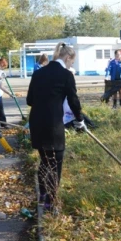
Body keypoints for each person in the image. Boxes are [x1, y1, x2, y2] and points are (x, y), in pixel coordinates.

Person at [27, 42, 83, 211]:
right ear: (67, 58)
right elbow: (73, 100)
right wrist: (80, 120)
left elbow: (29, 100)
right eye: (71, 62)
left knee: (44, 160)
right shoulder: (66, 75)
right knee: (55, 162)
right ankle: (51, 203)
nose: (71, 65)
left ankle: (43, 194)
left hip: (36, 123)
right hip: (53, 125)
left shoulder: (38, 73)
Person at [0, 57, 13, 127]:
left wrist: (9, 93)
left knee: (0, 110)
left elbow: (1, 86)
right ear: (1, 63)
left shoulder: (1, 72)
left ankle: (4, 124)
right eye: (3, 66)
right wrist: (1, 77)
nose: (3, 67)